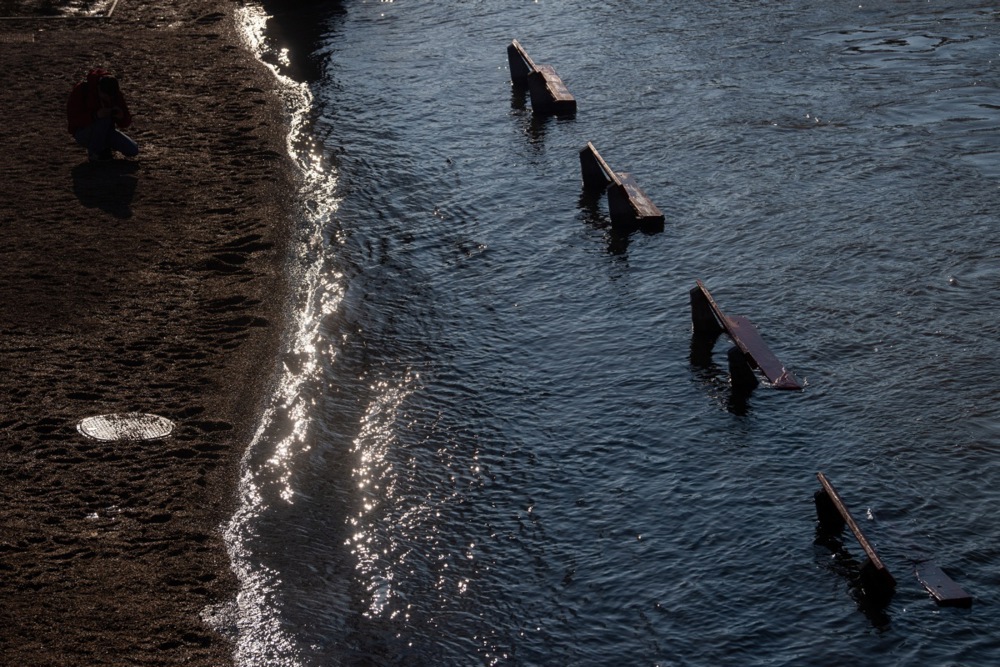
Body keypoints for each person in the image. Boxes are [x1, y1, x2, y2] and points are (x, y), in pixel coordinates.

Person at [67, 68, 139, 162]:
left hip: (107, 131)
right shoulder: (82, 90)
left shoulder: (115, 94)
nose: (108, 98)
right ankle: (95, 153)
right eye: (105, 96)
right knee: (104, 120)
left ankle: (103, 148)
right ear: (98, 88)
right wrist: (95, 115)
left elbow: (125, 122)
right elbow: (73, 120)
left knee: (133, 150)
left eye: (110, 96)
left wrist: (122, 117)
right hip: (83, 132)